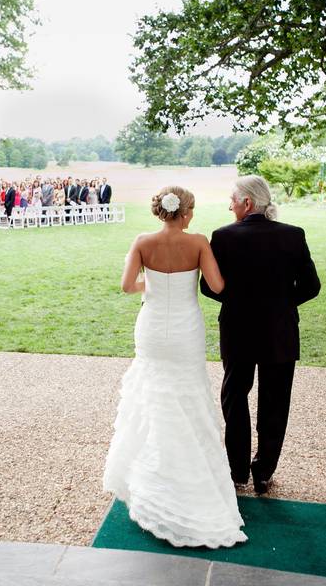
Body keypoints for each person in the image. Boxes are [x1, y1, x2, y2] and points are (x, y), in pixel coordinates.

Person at [104, 185, 246, 548]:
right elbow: (217, 285)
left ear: (160, 211)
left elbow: (125, 286)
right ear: (185, 213)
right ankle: (189, 481)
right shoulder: (198, 242)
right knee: (188, 396)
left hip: (151, 327)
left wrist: (150, 286)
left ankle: (151, 479)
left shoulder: (142, 241)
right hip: (185, 329)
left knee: (152, 396)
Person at [199, 175, 320, 495]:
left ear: (247, 203)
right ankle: (263, 471)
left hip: (238, 330)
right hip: (280, 331)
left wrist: (239, 301)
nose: (229, 205)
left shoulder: (222, 237)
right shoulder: (293, 235)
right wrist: (280, 304)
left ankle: (237, 471)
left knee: (234, 396)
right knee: (275, 401)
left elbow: (207, 287)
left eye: (232, 200)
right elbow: (312, 287)